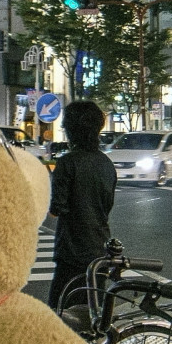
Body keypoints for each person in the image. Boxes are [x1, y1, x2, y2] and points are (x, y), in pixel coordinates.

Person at [47, 100, 118, 311]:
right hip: (100, 249)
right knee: (92, 314)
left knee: (60, 312)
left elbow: (56, 209)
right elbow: (106, 205)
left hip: (72, 251)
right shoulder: (106, 164)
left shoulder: (68, 162)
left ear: (71, 130)